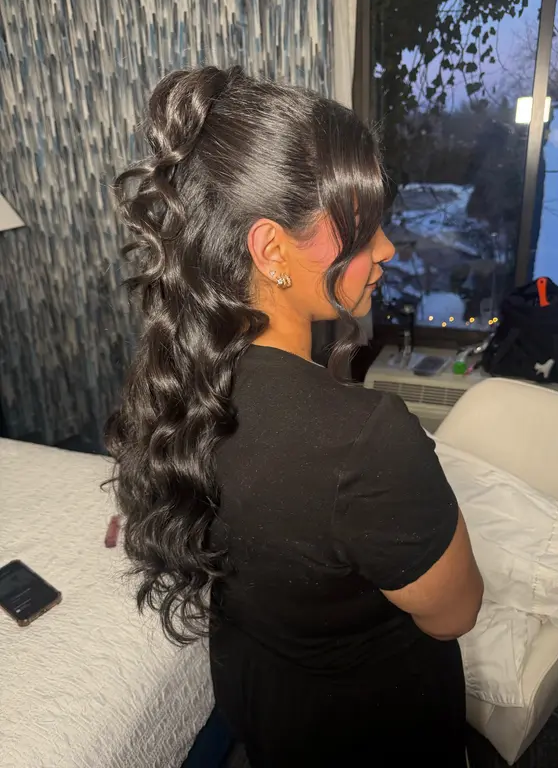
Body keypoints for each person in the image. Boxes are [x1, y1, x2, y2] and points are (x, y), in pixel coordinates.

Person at [106, 65, 483, 768]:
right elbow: (455, 613)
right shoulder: (365, 436)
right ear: (272, 250)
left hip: (262, 702)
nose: (387, 249)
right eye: (362, 230)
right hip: (370, 732)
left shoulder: (174, 381)